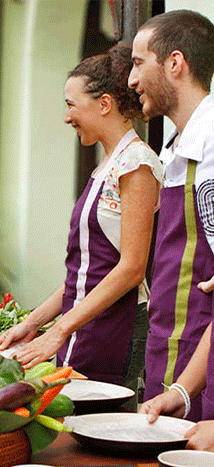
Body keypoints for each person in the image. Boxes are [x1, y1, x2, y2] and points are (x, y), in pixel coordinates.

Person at [0, 44, 163, 408]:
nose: (67, 116)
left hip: (115, 325)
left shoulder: (136, 164)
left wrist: (59, 330)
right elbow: (85, 272)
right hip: (85, 324)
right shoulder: (107, 165)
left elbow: (131, 268)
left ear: (104, 104)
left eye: (71, 104)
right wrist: (33, 323)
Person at [125, 10, 214, 426]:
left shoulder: (211, 144)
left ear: (175, 63)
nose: (131, 79)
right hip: (172, 362)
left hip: (203, 361)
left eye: (139, 63)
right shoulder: (174, 147)